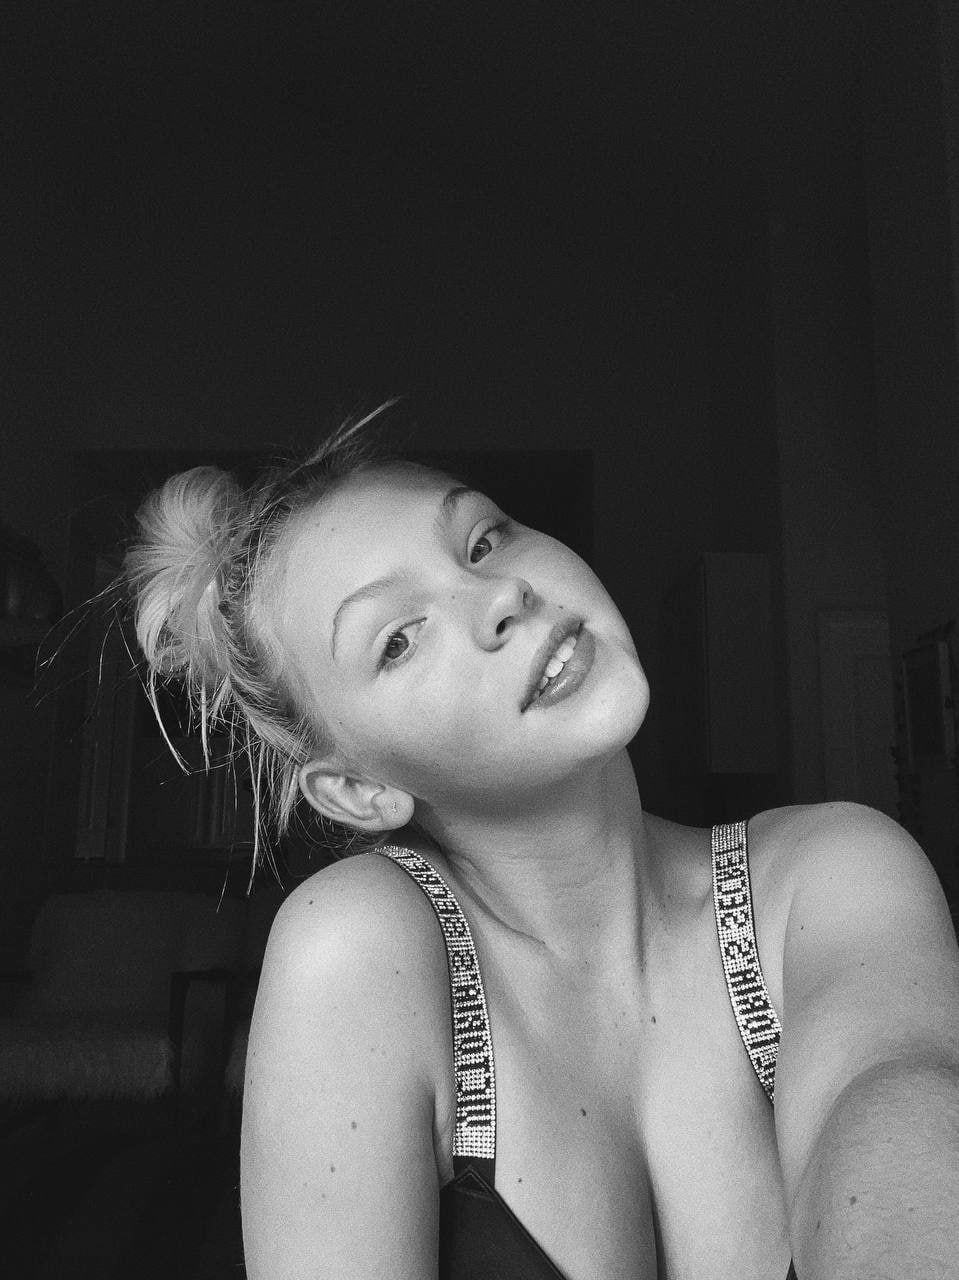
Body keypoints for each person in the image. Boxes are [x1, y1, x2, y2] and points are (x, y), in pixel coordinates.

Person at [124, 411, 959, 1280]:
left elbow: (897, 1107)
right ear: (359, 790)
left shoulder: (835, 876)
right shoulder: (357, 949)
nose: (500, 597)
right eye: (398, 639)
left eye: (482, 541)